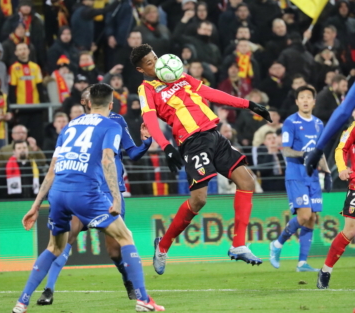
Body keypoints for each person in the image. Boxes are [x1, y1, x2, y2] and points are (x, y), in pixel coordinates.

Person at [11, 83, 164, 313]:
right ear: (111, 105)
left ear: (89, 102)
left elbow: (52, 169)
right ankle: (143, 299)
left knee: (54, 246)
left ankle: (22, 302)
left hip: (58, 193)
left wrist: (35, 205)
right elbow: (106, 160)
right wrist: (116, 197)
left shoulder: (69, 126)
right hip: (87, 193)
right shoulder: (111, 124)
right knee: (126, 237)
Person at [130, 43, 271, 273]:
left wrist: (249, 105)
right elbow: (150, 118)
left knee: (247, 181)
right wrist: (165, 146)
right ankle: (163, 246)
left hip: (214, 135)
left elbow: (211, 93)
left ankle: (238, 245)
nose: (156, 63)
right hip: (192, 141)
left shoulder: (180, 76)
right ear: (141, 69)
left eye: (155, 57)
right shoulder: (146, 89)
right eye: (149, 62)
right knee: (199, 199)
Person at [269, 86, 331, 272]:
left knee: (312, 218)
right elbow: (286, 150)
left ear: (314, 101)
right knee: (304, 215)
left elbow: (319, 152)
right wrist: (303, 154)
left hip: (312, 176)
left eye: (308, 97)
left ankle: (302, 263)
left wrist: (327, 173)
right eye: (301, 97)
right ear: (296, 101)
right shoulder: (290, 122)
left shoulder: (319, 124)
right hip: (296, 174)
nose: (305, 100)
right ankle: (277, 244)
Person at [317, 117, 355, 288]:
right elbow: (341, 149)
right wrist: (341, 168)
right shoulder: (353, 128)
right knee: (350, 230)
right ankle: (326, 270)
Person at [8, 43, 46, 145]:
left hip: (36, 107)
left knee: (38, 136)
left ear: (29, 51)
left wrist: (43, 105)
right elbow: (12, 89)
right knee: (21, 136)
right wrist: (14, 107)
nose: (23, 51)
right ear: (16, 53)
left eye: (24, 48)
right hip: (21, 108)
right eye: (20, 49)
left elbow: (40, 87)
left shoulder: (35, 67)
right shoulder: (14, 68)